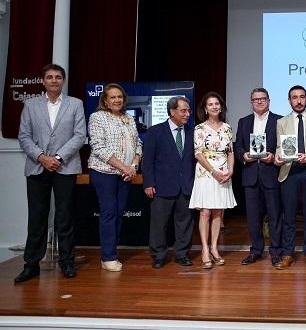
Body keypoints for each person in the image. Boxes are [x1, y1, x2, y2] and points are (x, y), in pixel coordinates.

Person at [15, 64, 86, 283]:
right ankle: (31, 264)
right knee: (37, 217)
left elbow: (79, 135)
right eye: (49, 77)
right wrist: (42, 157)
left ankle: (66, 262)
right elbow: (24, 136)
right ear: (43, 81)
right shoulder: (30, 105)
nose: (54, 80)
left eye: (58, 77)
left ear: (63, 81)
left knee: (65, 217)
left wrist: (57, 158)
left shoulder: (76, 104)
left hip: (65, 167)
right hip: (37, 166)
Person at [88, 83, 142, 272]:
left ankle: (113, 252)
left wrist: (133, 166)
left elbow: (138, 144)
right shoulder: (97, 117)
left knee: (119, 213)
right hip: (104, 172)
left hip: (125, 174)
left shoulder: (128, 118)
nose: (117, 100)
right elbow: (98, 147)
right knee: (109, 213)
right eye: (112, 97)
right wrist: (124, 168)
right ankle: (108, 257)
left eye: (119, 96)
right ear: (105, 100)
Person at [274, 85, 306, 270]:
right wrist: (279, 156)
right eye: (294, 97)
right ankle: (288, 254)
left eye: (302, 97)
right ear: (289, 100)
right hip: (289, 171)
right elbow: (279, 147)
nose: (298, 101)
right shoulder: (281, 122)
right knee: (288, 216)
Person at [142, 96, 195, 268]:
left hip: (186, 185)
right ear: (172, 112)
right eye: (183, 110)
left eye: (188, 110)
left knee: (185, 223)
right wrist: (148, 183)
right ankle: (158, 255)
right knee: (159, 224)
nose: (187, 114)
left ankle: (182, 254)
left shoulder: (193, 132)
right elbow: (147, 161)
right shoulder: (155, 132)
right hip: (161, 186)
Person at [234, 88, 283, 266]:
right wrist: (243, 156)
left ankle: (276, 251)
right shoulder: (244, 122)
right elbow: (238, 146)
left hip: (271, 174)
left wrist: (274, 156)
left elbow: (284, 145)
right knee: (253, 217)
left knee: (275, 215)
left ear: (269, 101)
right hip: (250, 175)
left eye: (263, 99)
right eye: (255, 99)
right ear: (251, 102)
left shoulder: (280, 121)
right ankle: (256, 250)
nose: (259, 102)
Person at [189, 92, 236, 268]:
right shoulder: (199, 129)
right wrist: (213, 171)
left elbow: (230, 152)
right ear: (205, 108)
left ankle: (215, 248)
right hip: (206, 173)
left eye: (217, 104)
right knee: (205, 212)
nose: (215, 106)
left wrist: (230, 170)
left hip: (224, 173)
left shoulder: (227, 128)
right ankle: (205, 250)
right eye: (211, 104)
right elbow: (198, 153)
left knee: (218, 212)